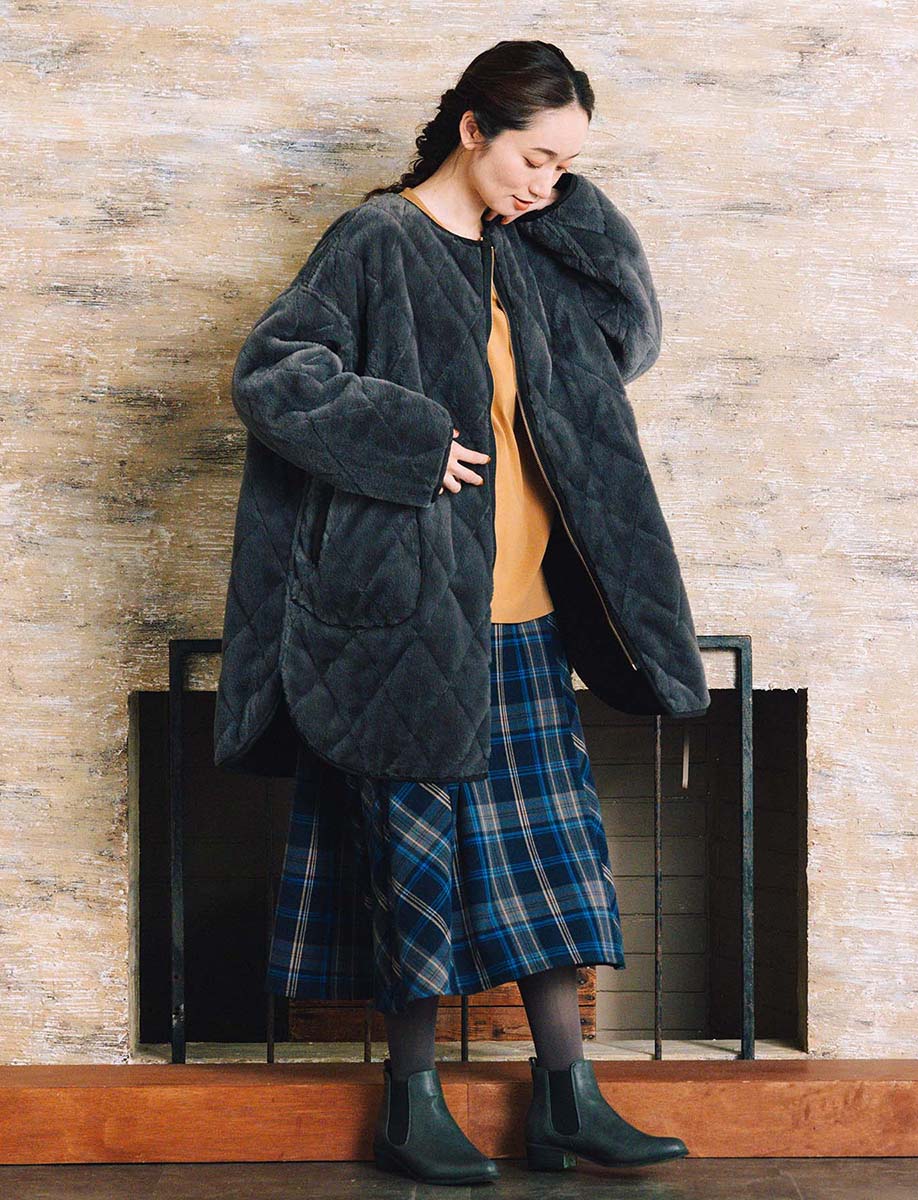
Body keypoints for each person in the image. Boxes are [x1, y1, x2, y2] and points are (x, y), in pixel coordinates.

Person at [222, 38, 703, 1186]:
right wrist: (406, 441)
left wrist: (563, 206)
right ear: (473, 128)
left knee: (554, 868)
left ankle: (566, 1101)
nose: (548, 182)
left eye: (568, 166)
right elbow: (272, 373)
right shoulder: (376, 239)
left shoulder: (522, 251)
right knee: (415, 871)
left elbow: (625, 339)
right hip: (407, 621)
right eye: (536, 157)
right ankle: (410, 1108)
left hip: (523, 618)